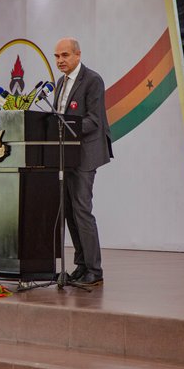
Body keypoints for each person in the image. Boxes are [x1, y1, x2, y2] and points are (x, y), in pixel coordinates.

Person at [52, 37, 113, 287]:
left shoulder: (92, 80)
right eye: (56, 56)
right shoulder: (60, 83)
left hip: (86, 154)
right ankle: (80, 264)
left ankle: (95, 270)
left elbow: (94, 121)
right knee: (67, 211)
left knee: (81, 210)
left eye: (65, 55)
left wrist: (65, 128)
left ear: (78, 55)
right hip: (65, 155)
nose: (60, 61)